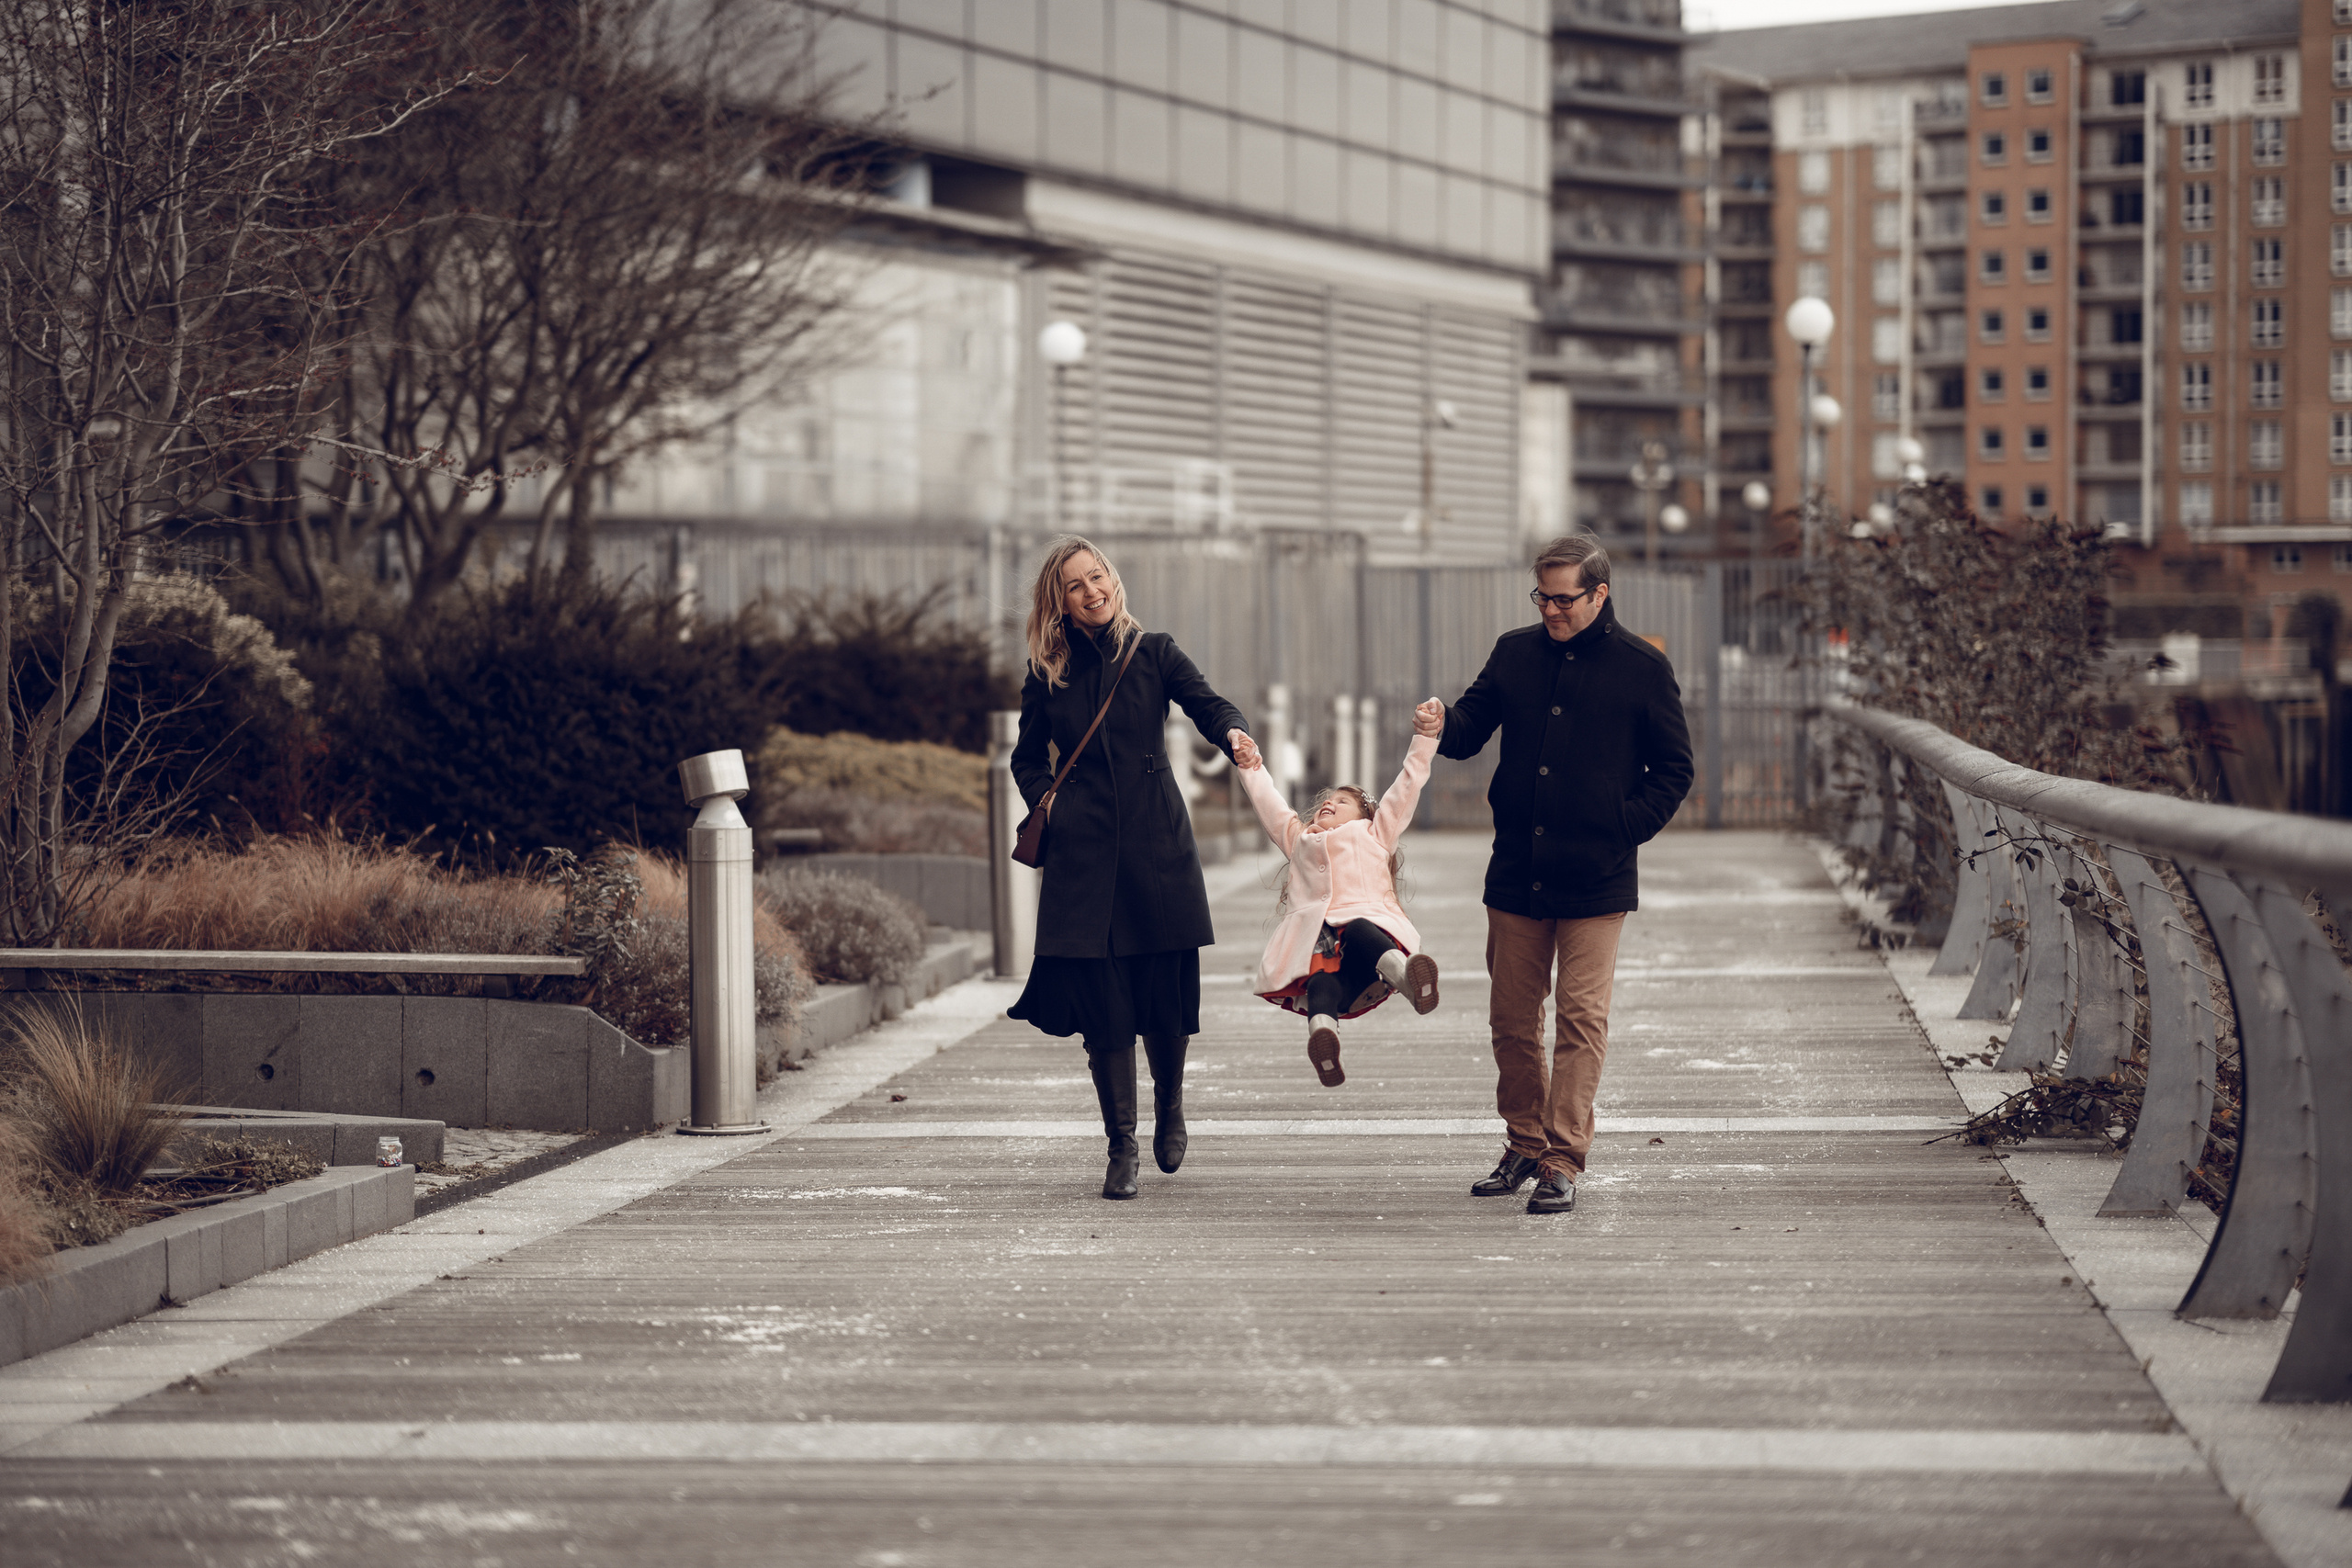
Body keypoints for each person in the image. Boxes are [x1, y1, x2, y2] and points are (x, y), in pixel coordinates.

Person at [1435, 533, 1692, 1215]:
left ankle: (1561, 1158)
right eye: (1542, 596)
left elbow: (1675, 770)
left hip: (1597, 879)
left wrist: (1620, 827)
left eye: (1563, 598)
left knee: (1581, 1019)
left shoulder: (1642, 666)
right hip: (1517, 870)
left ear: (1599, 593)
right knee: (1513, 1021)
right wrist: (1437, 722)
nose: (1550, 609)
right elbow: (1468, 732)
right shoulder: (1515, 651)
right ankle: (1523, 1141)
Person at [1008, 536, 1252, 1201]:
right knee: (1104, 1004)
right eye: (1076, 585)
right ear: (1058, 601)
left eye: (1098, 577)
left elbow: (1207, 704)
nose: (1093, 591)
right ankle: (1121, 1146)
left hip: (1155, 843)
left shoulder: (1154, 651)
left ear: (1111, 580)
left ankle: (1170, 1103)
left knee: (1163, 992)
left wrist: (1234, 734)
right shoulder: (1046, 670)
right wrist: (1047, 804)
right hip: (1083, 855)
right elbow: (1026, 757)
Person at [1233, 703, 1445, 1087]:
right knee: (1320, 984)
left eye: (1343, 801)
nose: (1330, 802)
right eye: (1328, 799)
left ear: (1365, 816)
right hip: (1322, 943)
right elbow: (1270, 804)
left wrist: (1425, 739)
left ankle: (1407, 978)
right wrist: (1250, 765)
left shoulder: (1376, 833)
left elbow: (1408, 784)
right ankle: (1323, 1037)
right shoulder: (1301, 839)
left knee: (1362, 928)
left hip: (1371, 946)